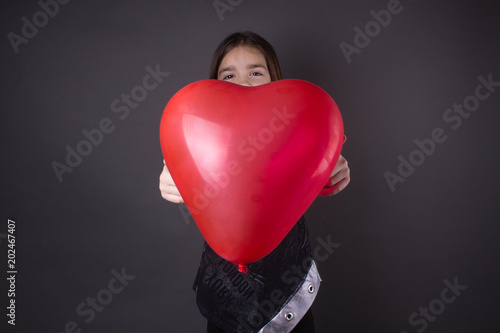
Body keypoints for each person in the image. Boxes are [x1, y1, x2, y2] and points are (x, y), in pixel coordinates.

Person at [159, 31, 350, 333]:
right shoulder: (204, 135)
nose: (243, 82)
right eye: (229, 74)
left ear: (275, 80)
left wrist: (333, 164)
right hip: (225, 296)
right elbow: (182, 161)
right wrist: (171, 174)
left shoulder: (294, 129)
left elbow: (321, 158)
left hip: (289, 296)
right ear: (214, 84)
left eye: (256, 72)